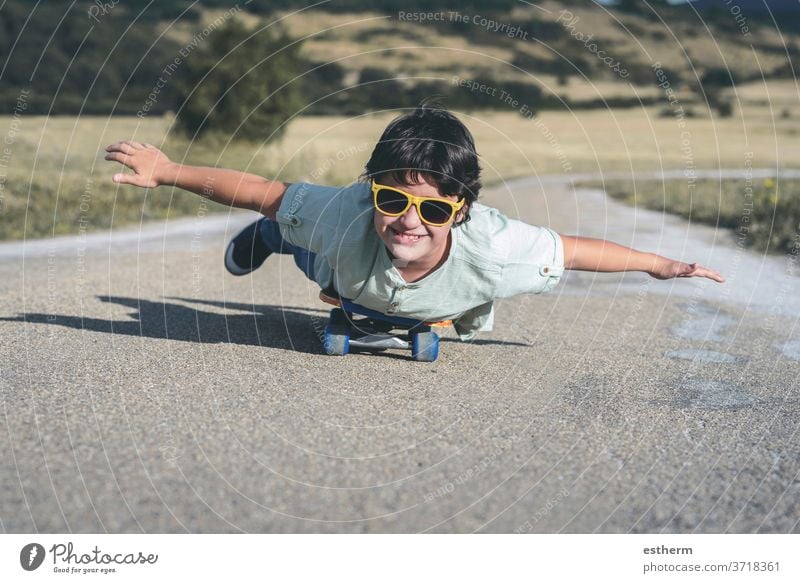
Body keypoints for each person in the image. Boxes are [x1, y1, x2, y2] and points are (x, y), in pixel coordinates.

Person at [104, 101, 724, 341]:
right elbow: (264, 190)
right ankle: (277, 241)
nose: (408, 219)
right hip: (347, 259)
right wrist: (167, 169)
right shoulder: (348, 212)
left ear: (461, 209)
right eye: (393, 199)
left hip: (440, 288)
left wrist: (658, 265)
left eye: (431, 209)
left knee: (452, 306)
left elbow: (573, 251)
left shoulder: (499, 250)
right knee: (311, 243)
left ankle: (422, 303)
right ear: (372, 189)